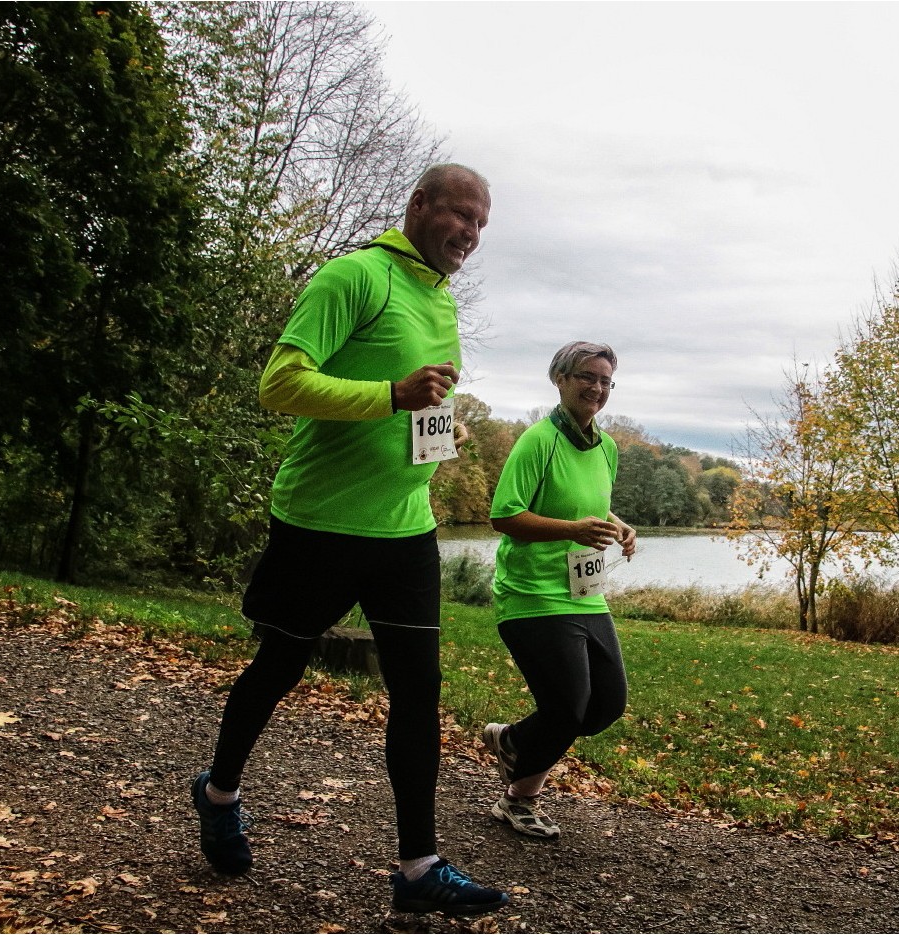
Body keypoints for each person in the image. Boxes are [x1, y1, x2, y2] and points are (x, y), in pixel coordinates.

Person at [189, 164, 508, 917]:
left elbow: (420, 401)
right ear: (419, 204)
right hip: (321, 520)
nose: (469, 234)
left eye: (481, 225)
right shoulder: (354, 276)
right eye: (460, 215)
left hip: (406, 529)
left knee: (418, 696)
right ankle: (218, 790)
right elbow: (279, 383)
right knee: (279, 664)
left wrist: (435, 428)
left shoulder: (441, 300)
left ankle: (418, 867)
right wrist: (389, 397)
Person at [481, 341, 637, 839]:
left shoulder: (606, 447)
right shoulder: (538, 440)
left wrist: (619, 525)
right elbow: (504, 516)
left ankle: (511, 741)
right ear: (561, 379)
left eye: (606, 381)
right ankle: (519, 798)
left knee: (604, 705)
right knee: (567, 706)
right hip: (531, 595)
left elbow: (587, 504)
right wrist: (572, 529)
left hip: (585, 592)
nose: (597, 388)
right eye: (587, 377)